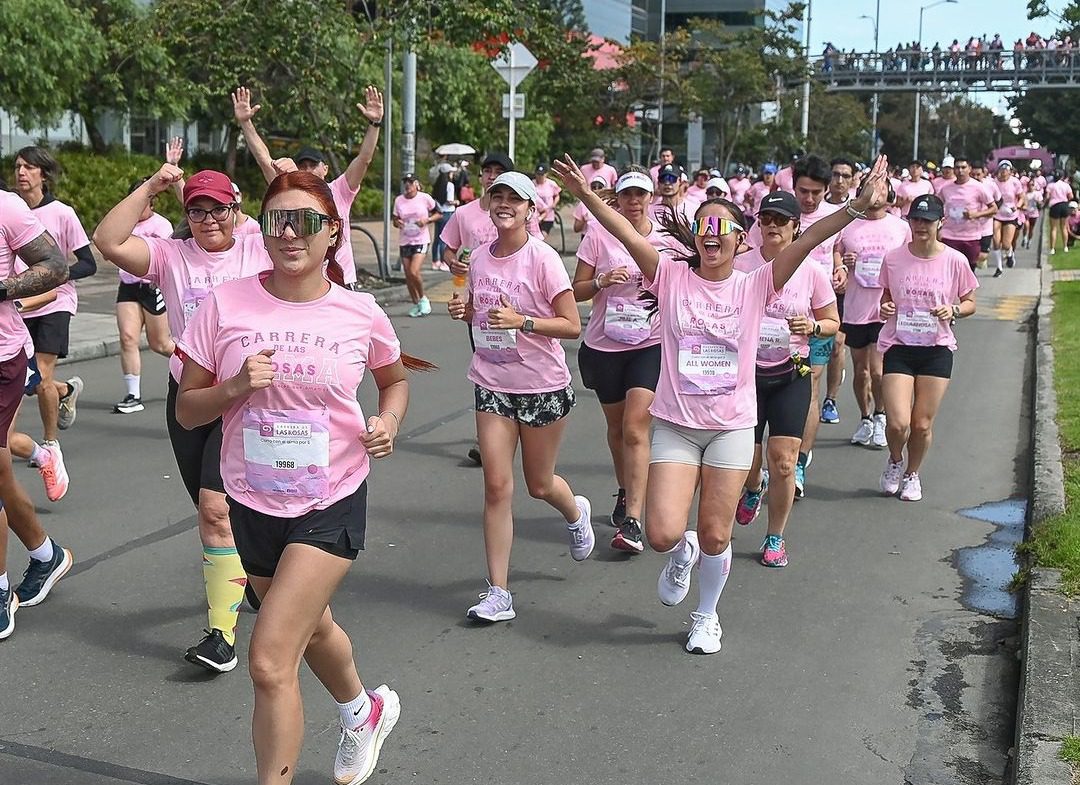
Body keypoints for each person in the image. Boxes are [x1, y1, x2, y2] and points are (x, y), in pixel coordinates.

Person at [553, 152, 889, 654]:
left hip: (731, 427)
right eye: (705, 227)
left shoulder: (756, 284)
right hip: (677, 425)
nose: (712, 236)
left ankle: (706, 615)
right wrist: (583, 196)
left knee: (715, 533)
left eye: (723, 228)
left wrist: (857, 208)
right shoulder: (668, 277)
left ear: (740, 240)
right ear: (699, 237)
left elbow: (813, 239)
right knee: (665, 533)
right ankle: (681, 552)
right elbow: (625, 232)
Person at [174, 170, 414, 785]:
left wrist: (386, 421)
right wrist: (233, 388)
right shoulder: (225, 305)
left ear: (332, 232)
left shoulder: (358, 312)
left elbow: (394, 379)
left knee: (268, 659)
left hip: (330, 496)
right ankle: (364, 709)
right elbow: (187, 408)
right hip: (252, 497)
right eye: (278, 219)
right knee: (311, 627)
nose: (291, 233)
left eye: (306, 221)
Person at [94, 165, 274, 672]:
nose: (209, 218)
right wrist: (150, 185)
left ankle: (221, 635)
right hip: (190, 392)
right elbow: (107, 240)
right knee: (210, 502)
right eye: (197, 209)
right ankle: (256, 577)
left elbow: (315, 231)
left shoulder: (256, 247)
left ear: (235, 209)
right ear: (185, 213)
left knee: (216, 509)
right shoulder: (171, 256)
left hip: (247, 394)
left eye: (218, 207)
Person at [446, 172, 589, 622]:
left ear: (532, 209)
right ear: (488, 205)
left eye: (515, 199)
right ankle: (499, 593)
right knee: (496, 486)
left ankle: (575, 512)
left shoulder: (542, 258)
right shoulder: (479, 259)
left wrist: (524, 322)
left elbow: (571, 325)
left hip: (541, 384)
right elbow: (482, 311)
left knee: (540, 484)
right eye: (498, 197)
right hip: (491, 380)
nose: (505, 204)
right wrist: (464, 311)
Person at [573, 171, 684, 553]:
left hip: (649, 345)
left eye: (640, 194)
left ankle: (634, 520)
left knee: (637, 428)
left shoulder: (666, 239)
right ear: (616, 199)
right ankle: (625, 489)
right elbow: (576, 290)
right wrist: (602, 281)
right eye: (626, 195)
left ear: (651, 197)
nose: (633, 201)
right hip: (605, 346)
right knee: (617, 428)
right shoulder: (598, 234)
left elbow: (687, 281)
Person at [733, 192, 839, 569]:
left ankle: (774, 535)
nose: (772, 226)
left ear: (797, 227)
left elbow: (831, 321)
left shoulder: (811, 271)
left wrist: (811, 326)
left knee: (783, 461)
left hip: (792, 371)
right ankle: (751, 486)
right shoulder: (739, 265)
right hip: (745, 375)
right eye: (766, 219)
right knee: (746, 456)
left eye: (781, 220)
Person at [0, 189, 76, 640]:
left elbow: (57, 266)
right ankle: (46, 554)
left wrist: (4, 289)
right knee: (2, 473)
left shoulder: (6, 207)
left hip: (2, 359)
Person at [443, 153, 543, 466]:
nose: (490, 176)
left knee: (514, 362)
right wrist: (454, 263)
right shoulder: (465, 214)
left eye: (498, 172)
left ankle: (514, 424)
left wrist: (524, 317)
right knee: (487, 362)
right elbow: (448, 249)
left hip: (517, 308)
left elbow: (533, 249)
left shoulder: (521, 215)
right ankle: (488, 435)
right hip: (482, 309)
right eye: (487, 172)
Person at [232, 85, 385, 284]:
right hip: (302, 285)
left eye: (313, 165)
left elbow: (364, 158)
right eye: (302, 165)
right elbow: (264, 159)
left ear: (326, 169)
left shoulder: (339, 190)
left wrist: (374, 123)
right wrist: (246, 123)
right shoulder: (289, 189)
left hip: (340, 282)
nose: (307, 170)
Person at [877, 194, 977, 501]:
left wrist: (954, 310)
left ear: (940, 223)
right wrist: (886, 307)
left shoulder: (955, 260)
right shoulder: (893, 257)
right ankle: (895, 461)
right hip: (900, 345)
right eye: (915, 220)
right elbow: (885, 297)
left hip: (936, 348)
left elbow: (970, 302)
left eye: (927, 221)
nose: (920, 226)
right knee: (898, 423)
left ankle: (912, 473)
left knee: (920, 425)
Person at [12, 147, 93, 451]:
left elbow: (88, 263)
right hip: (21, 304)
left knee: (39, 376)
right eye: (18, 166)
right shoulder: (12, 212)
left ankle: (49, 444)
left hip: (56, 301)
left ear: (42, 175)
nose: (21, 172)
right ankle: (66, 390)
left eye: (29, 167)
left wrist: (56, 275)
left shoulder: (62, 213)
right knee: (29, 377)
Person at [836, 188, 912, 448]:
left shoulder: (900, 228)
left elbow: (911, 260)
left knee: (878, 372)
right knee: (861, 371)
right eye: (871, 188)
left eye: (882, 189)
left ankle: (881, 416)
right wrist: (843, 263)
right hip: (856, 308)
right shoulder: (849, 226)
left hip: (884, 309)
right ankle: (865, 417)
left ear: (889, 194)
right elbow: (837, 254)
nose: (876, 195)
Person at [113, 178, 176, 414]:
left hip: (153, 287)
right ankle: (133, 395)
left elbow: (169, 260)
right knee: (128, 337)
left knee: (160, 344)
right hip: (128, 285)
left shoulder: (162, 226)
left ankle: (197, 364)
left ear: (152, 202)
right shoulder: (125, 224)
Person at [392, 173, 441, 317]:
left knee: (414, 271)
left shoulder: (424, 198)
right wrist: (398, 223)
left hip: (421, 239)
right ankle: (416, 303)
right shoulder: (399, 200)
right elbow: (395, 219)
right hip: (405, 240)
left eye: (410, 182)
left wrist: (427, 220)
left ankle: (423, 298)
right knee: (408, 275)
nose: (407, 185)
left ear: (416, 184)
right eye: (405, 182)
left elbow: (439, 213)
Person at [938, 156, 998, 272]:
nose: (960, 171)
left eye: (963, 167)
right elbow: (937, 206)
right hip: (950, 235)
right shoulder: (946, 188)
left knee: (969, 272)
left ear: (969, 169)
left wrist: (975, 215)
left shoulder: (978, 187)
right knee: (951, 271)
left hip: (971, 236)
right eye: (957, 167)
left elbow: (994, 209)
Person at [991, 160, 1025, 277]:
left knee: (1006, 244)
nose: (1004, 172)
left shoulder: (1015, 182)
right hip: (997, 214)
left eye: (1006, 170)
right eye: (1002, 170)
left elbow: (1021, 197)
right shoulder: (993, 182)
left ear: (1010, 171)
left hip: (1010, 215)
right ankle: (999, 267)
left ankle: (1010, 254)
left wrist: (1018, 206)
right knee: (996, 241)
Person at [431, 163, 458, 270]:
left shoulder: (437, 185)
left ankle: (435, 261)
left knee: (437, 238)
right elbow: (449, 201)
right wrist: (456, 202)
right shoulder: (449, 185)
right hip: (447, 213)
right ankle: (443, 262)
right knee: (444, 239)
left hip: (438, 213)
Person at [1045, 171, 1075, 255]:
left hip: (1054, 206)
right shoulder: (1066, 185)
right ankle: (1065, 246)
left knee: (1054, 228)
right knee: (1064, 227)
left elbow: (1047, 196)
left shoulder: (1050, 185)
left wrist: (1045, 202)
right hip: (1064, 205)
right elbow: (1071, 196)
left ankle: (1052, 248)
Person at [533, 164, 562, 239]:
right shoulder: (532, 184)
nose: (540, 176)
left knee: (542, 237)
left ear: (546, 174)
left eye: (542, 175)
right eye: (538, 174)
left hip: (548, 215)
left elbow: (557, 195)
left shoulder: (551, 184)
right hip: (535, 215)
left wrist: (554, 204)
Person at [1021, 178, 1044, 249]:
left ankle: (1029, 240)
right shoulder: (1025, 194)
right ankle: (1024, 238)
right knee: (1026, 225)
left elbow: (1041, 204)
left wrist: (1038, 202)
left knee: (1031, 229)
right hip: (1026, 212)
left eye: (1032, 185)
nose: (1031, 186)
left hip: (1034, 213)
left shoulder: (1037, 194)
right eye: (1029, 185)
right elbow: (1022, 202)